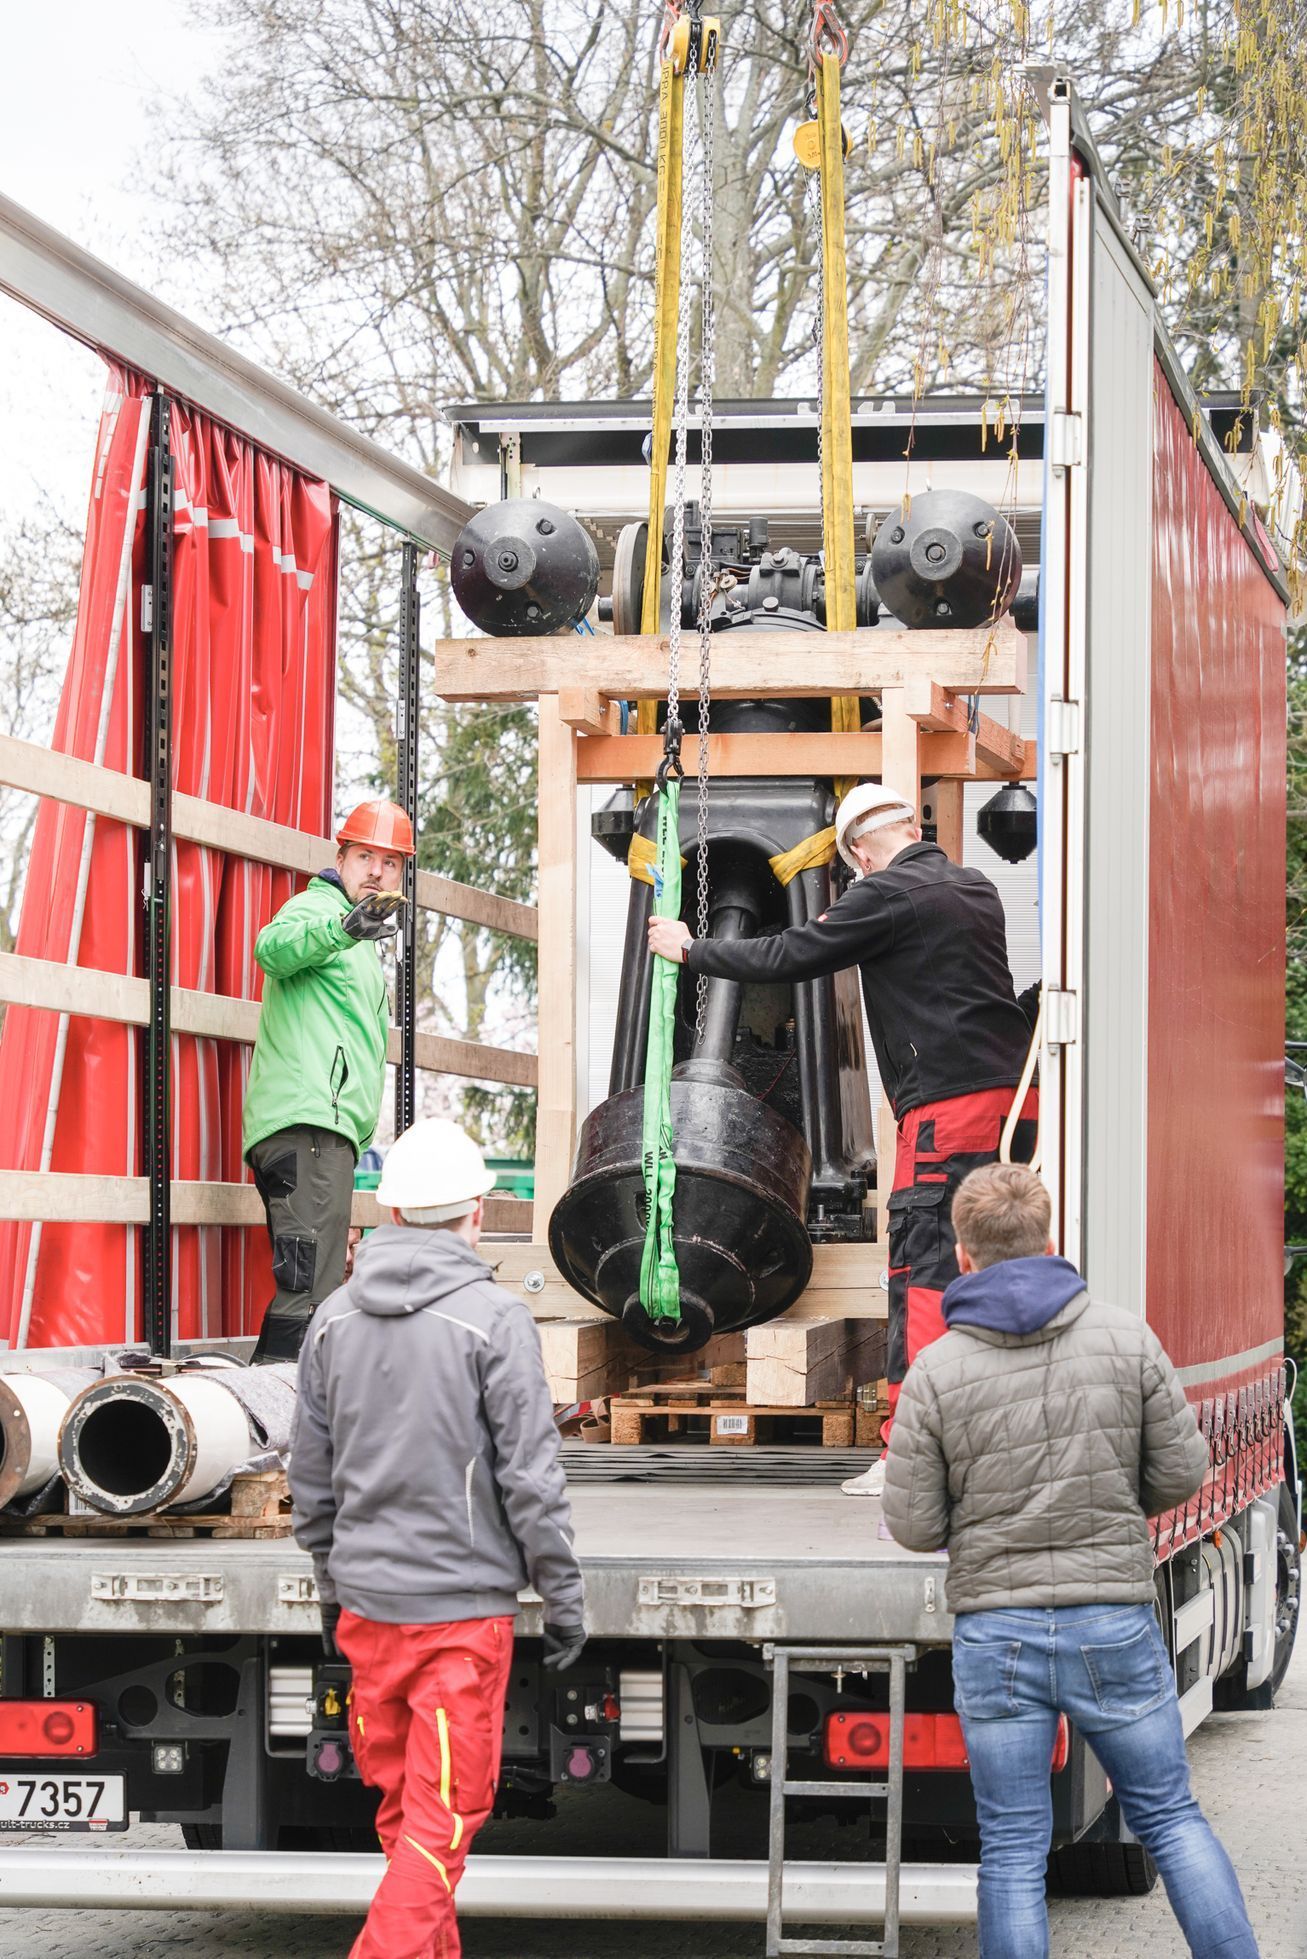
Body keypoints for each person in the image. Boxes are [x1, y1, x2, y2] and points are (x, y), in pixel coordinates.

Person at [882, 1162, 1257, 1959]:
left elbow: (912, 1523)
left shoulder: (935, 1372)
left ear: (962, 1251)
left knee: (1012, 1849)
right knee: (1168, 1814)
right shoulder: (1124, 1337)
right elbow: (1182, 1471)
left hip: (996, 1632)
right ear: (1048, 1239)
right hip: (1110, 1620)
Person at [646, 779, 1036, 1494]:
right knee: (997, 1267)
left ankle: (910, 1457)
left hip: (944, 1111)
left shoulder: (883, 892)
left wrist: (691, 950)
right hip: (1011, 1103)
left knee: (919, 1270)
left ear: (858, 852)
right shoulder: (975, 886)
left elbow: (791, 954)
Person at [289, 1115, 586, 1959]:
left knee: (405, 1814)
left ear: (386, 1211)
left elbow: (310, 1475)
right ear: (478, 1210)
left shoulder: (332, 1320)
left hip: (368, 1613)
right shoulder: (494, 1319)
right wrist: (562, 1595)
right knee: (439, 1820)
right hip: (458, 1619)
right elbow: (530, 1476)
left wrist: (328, 1580)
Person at [242, 799, 414, 1363]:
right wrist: (341, 928)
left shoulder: (360, 943)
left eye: (391, 863)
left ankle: (281, 1418)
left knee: (315, 1280)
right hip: (305, 1122)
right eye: (365, 856)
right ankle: (277, 1414)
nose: (376, 871)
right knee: (309, 1289)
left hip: (327, 1132)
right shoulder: (315, 911)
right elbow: (272, 949)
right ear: (340, 857)